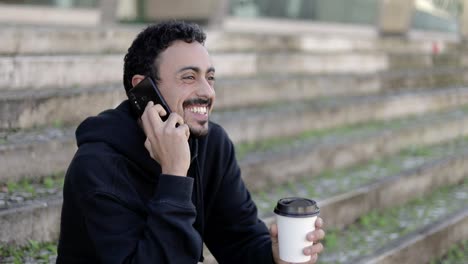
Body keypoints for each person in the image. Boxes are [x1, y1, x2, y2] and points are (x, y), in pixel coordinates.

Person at [56, 20, 325, 263]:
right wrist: (174, 175)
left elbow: (239, 239)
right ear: (143, 89)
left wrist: (273, 257)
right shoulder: (97, 167)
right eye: (189, 77)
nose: (208, 91)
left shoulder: (211, 144)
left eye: (210, 77)